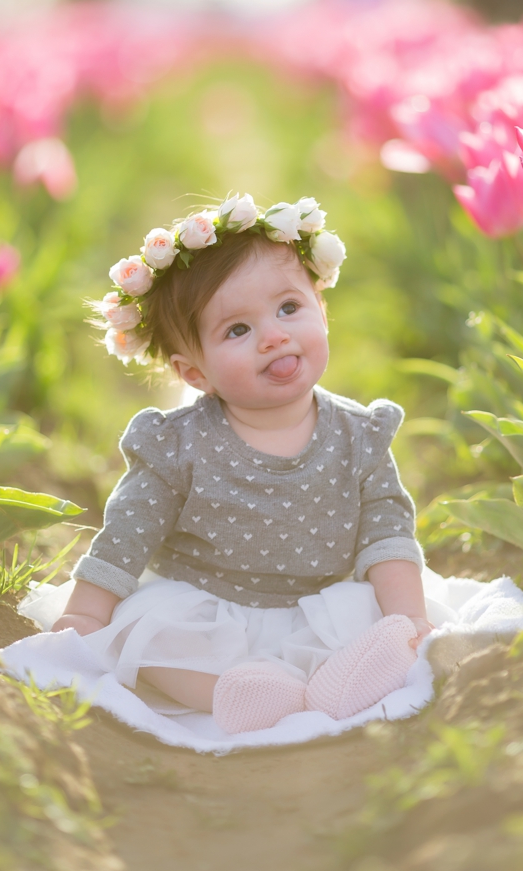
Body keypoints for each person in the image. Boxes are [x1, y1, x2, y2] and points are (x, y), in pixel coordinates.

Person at [42, 193, 435, 735]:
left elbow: (387, 533)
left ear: (322, 307)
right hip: (209, 610)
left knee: (384, 620)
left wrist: (408, 616)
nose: (274, 335)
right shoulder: (177, 445)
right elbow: (128, 533)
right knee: (148, 637)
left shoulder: (360, 435)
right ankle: (249, 696)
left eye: (289, 308)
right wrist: (86, 613)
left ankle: (344, 678)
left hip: (320, 609)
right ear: (193, 373)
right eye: (237, 330)